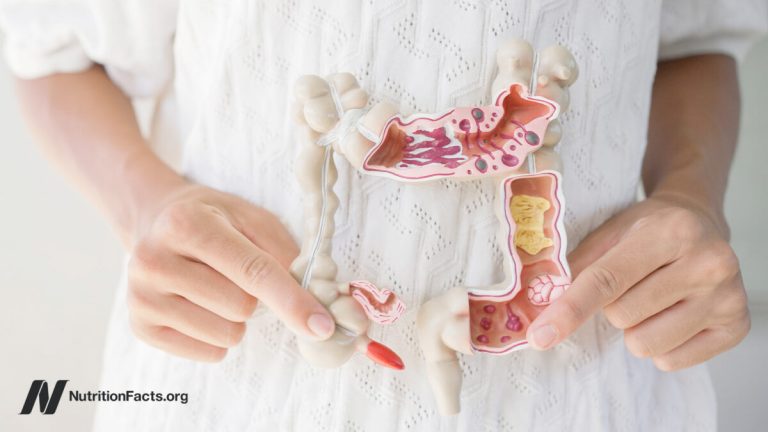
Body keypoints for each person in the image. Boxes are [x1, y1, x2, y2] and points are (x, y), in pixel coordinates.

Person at [2, 1, 766, 430]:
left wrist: (690, 196)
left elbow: (694, 41)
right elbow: (52, 51)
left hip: (586, 396)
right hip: (235, 395)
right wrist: (145, 206)